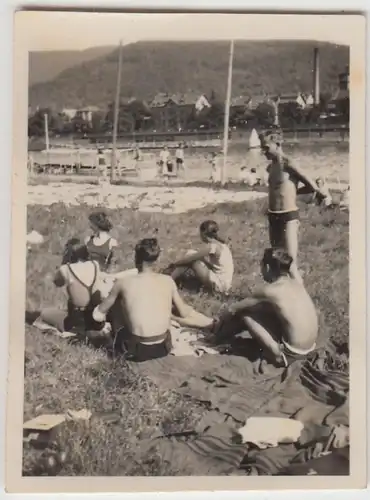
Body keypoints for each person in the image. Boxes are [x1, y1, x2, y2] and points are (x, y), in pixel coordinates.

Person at [92, 238, 213, 362]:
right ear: (156, 260)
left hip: (134, 350)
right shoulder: (168, 281)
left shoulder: (123, 283)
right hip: (163, 348)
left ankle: (116, 341)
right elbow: (183, 312)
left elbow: (98, 314)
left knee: (117, 304)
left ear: (136, 258)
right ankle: (212, 323)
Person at [217, 248, 318, 368]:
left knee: (246, 315)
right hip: (310, 348)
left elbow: (233, 309)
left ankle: (218, 337)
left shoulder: (270, 291)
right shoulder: (296, 283)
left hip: (289, 356)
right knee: (267, 310)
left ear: (268, 268)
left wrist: (217, 322)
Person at [261, 134, 328, 283]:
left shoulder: (289, 163)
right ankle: (284, 296)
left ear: (277, 144)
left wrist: (293, 193)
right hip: (273, 216)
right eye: (262, 147)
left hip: (288, 216)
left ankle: (302, 298)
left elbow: (312, 187)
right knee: (277, 260)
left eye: (266, 147)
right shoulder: (270, 167)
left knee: (290, 263)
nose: (263, 151)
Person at [39, 238, 107, 335]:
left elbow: (57, 283)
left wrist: (64, 263)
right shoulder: (95, 265)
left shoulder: (66, 269)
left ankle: (70, 328)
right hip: (96, 318)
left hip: (77, 320)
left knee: (45, 313)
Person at [165, 220, 234, 294]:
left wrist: (175, 264)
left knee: (194, 261)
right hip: (225, 282)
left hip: (220, 285)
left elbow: (190, 258)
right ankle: (173, 277)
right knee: (191, 254)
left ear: (204, 234)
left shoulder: (212, 247)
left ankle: (170, 279)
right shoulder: (222, 245)